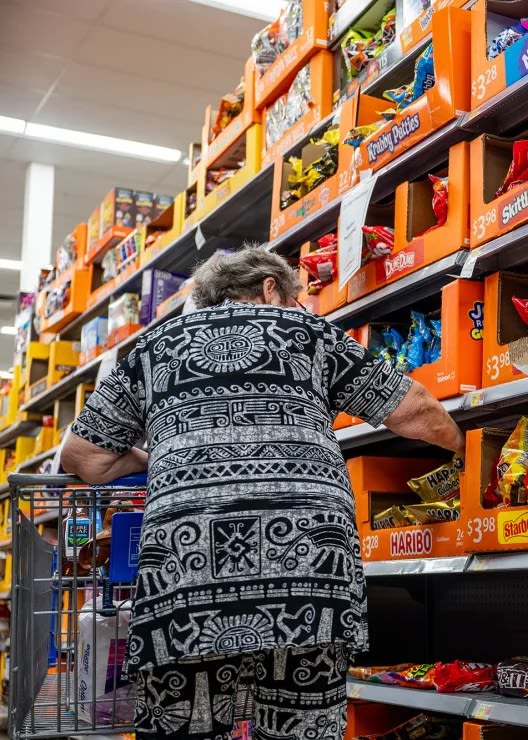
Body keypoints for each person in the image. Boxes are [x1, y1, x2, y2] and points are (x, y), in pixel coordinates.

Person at [60, 246, 464, 740]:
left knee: (184, 724)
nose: (300, 309)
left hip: (186, 578)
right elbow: (415, 410)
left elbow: (83, 458)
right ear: (271, 288)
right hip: (307, 575)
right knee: (301, 726)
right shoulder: (309, 334)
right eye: (297, 299)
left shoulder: (152, 348)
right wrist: (465, 445)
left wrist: (160, 461)